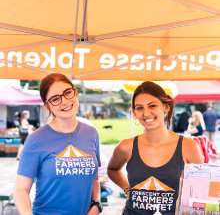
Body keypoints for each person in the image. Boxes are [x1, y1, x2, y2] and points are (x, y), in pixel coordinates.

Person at [107, 81, 203, 215]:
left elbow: (200, 191)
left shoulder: (188, 147)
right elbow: (112, 169)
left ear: (166, 107)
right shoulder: (125, 146)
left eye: (152, 106)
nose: (146, 113)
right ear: (134, 112)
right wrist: (127, 190)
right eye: (140, 108)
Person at [14, 73, 102, 215]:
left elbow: (95, 179)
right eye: (55, 99)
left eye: (67, 93)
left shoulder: (91, 133)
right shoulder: (36, 139)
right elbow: (21, 189)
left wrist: (97, 205)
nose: (65, 101)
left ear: (76, 93)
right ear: (47, 106)